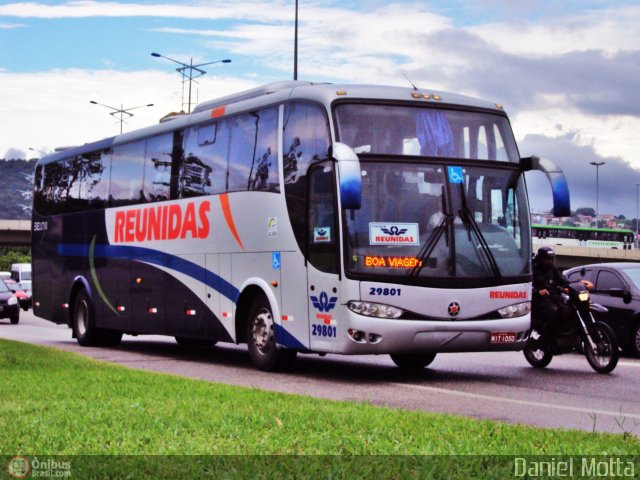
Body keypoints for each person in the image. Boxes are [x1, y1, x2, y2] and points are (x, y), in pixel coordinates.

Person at [531, 246, 572, 332]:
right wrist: (538, 291)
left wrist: (574, 285)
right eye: (547, 259)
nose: (549, 261)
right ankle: (548, 336)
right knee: (554, 312)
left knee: (570, 309)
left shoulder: (553, 269)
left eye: (551, 259)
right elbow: (527, 287)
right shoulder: (533, 270)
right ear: (540, 259)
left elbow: (563, 280)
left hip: (555, 299)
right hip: (540, 302)